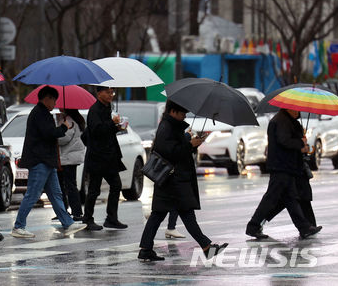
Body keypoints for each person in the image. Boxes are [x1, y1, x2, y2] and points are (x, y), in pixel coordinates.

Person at [138, 101, 227, 261]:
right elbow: (170, 152)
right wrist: (189, 145)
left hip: (172, 179)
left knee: (158, 214)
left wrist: (191, 143)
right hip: (174, 179)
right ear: (173, 111)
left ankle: (145, 249)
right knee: (186, 214)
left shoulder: (171, 126)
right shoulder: (167, 127)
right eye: (182, 113)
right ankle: (206, 247)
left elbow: (176, 148)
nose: (184, 116)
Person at [11, 86, 87, 238]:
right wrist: (64, 127)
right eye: (54, 100)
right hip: (40, 160)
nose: (55, 103)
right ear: (47, 98)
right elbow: (49, 134)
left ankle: (67, 222)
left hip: (47, 160)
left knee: (56, 194)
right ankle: (19, 226)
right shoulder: (39, 114)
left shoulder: (43, 113)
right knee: (33, 194)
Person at [245, 108, 322, 239]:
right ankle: (253, 226)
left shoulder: (287, 120)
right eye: (296, 108)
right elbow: (284, 140)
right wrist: (300, 143)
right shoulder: (281, 121)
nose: (299, 111)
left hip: (287, 167)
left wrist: (301, 142)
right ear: (288, 108)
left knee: (291, 199)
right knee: (271, 198)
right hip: (281, 166)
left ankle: (304, 228)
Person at [83, 87, 127, 231]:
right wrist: (112, 123)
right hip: (97, 157)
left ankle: (111, 218)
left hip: (110, 156)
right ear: (99, 93)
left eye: (112, 92)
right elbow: (97, 130)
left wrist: (117, 127)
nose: (110, 95)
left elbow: (107, 131)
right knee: (94, 189)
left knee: (116, 185)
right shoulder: (94, 110)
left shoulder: (108, 108)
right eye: (107, 92)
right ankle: (87, 219)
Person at [57, 109, 85, 221]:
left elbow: (63, 139)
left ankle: (76, 212)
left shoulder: (69, 121)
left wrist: (56, 131)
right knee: (68, 185)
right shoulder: (76, 120)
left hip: (67, 158)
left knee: (68, 185)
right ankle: (68, 211)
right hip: (69, 157)